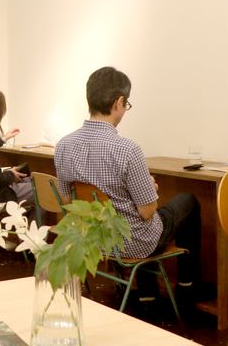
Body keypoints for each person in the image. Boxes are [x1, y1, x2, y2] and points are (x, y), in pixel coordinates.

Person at [54, 66, 201, 303]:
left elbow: (67, 201)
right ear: (119, 102)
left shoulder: (63, 145)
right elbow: (147, 211)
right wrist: (149, 189)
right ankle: (187, 287)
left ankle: (148, 293)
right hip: (132, 244)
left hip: (93, 239)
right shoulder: (127, 150)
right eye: (126, 104)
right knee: (187, 202)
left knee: (138, 215)